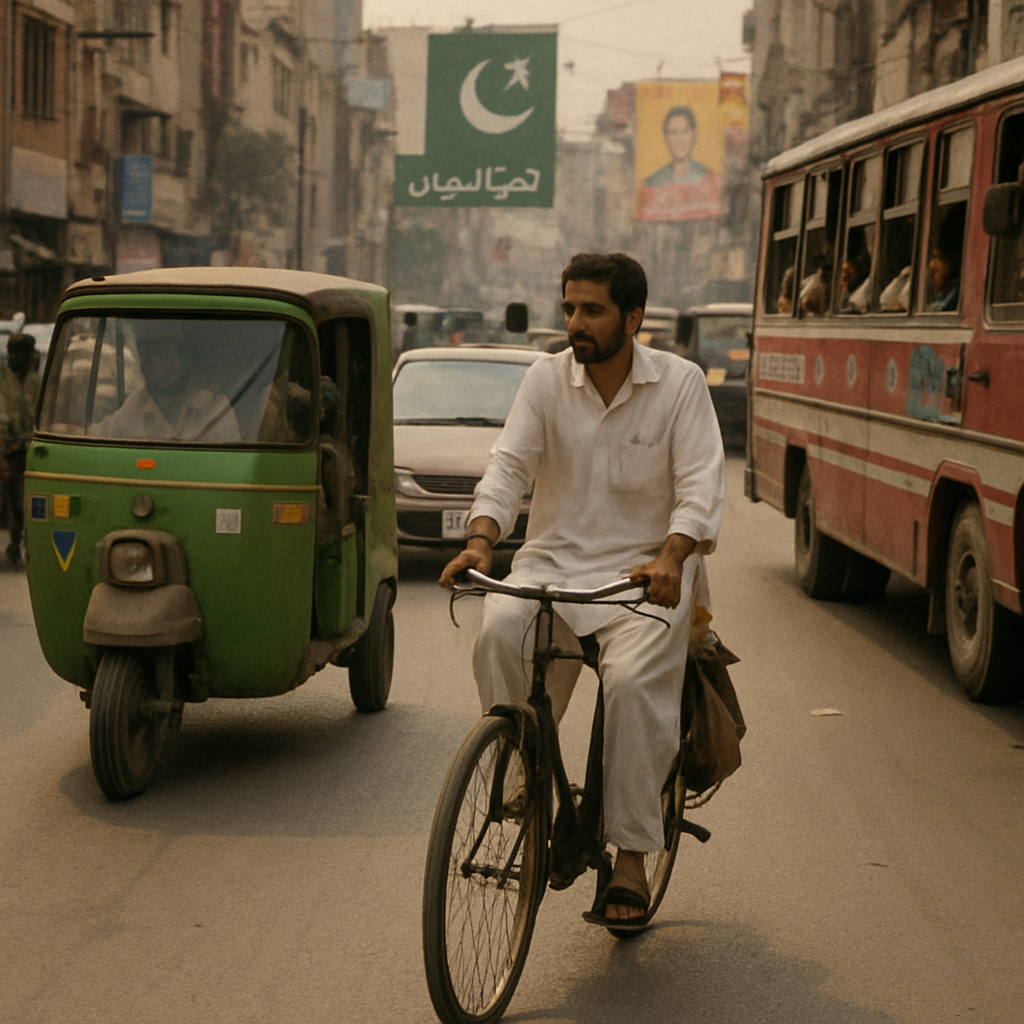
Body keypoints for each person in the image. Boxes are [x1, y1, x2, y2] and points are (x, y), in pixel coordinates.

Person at [439, 252, 725, 927]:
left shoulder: (680, 384)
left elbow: (701, 485)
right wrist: (482, 539)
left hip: (642, 579)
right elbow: (508, 467)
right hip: (551, 567)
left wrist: (671, 556)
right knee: (499, 629)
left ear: (633, 317)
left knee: (629, 687)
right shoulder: (544, 380)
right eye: (569, 308)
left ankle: (630, 854)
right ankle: (523, 775)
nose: (575, 323)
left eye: (591, 310)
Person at [91, 323, 240, 443]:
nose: (157, 365)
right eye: (150, 356)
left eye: (164, 355)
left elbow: (228, 467)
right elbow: (96, 435)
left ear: (186, 359)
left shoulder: (215, 409)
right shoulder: (136, 407)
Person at [0, 333, 42, 566]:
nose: (15, 357)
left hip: (27, 447)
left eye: (21, 353)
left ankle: (18, 540)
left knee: (22, 499)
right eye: (12, 352)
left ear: (29, 355)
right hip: (2, 445)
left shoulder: (36, 381)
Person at [643, 106, 715, 187]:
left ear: (694, 134)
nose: (679, 139)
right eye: (672, 132)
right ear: (666, 138)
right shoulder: (653, 183)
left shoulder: (712, 180)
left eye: (684, 131)